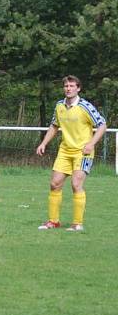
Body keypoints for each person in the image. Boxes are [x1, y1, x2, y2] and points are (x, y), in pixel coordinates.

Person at [36, 75, 106, 232]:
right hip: (65, 151)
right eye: (66, 86)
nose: (68, 88)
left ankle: (77, 224)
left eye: (71, 86)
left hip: (83, 152)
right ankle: (53, 221)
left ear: (78, 88)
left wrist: (91, 144)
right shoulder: (59, 105)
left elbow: (102, 125)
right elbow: (54, 125)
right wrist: (43, 143)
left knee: (76, 185)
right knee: (54, 184)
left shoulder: (85, 106)